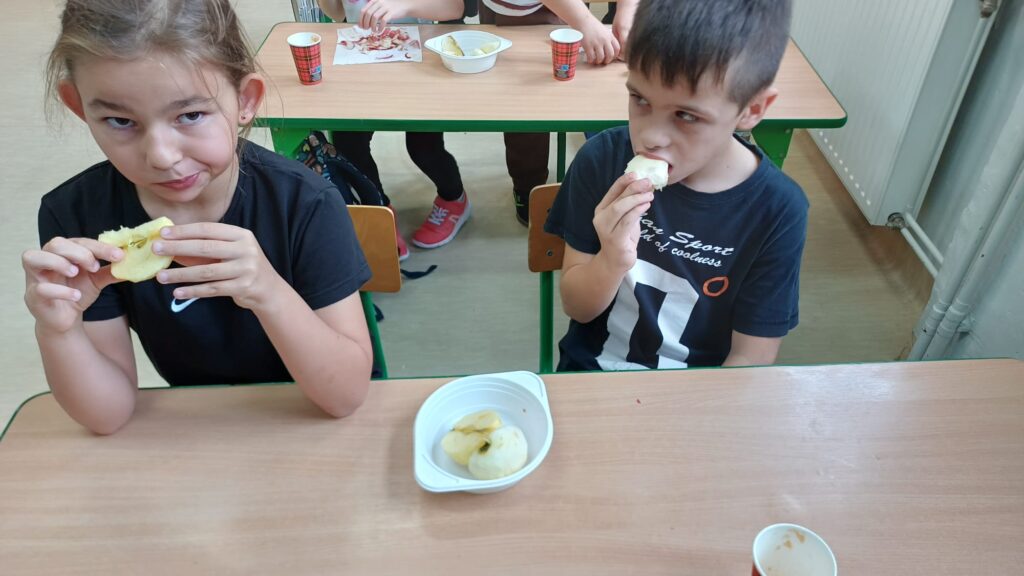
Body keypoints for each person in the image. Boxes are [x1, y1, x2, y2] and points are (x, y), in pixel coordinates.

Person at [22, 0, 373, 434]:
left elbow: (346, 396)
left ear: (245, 100)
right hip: (198, 429)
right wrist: (58, 330)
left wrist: (268, 291)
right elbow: (107, 416)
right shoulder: (76, 215)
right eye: (119, 120)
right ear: (79, 107)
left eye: (190, 115)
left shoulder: (305, 203)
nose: (161, 156)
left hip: (310, 419)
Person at [545, 0, 807, 371]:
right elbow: (577, 308)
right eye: (640, 99)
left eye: (686, 115)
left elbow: (751, 356)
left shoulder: (778, 210)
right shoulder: (601, 160)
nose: (650, 137)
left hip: (700, 390)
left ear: (752, 109)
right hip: (592, 372)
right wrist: (611, 259)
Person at [319, 0, 473, 251]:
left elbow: (454, 8)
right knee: (349, 143)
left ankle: (454, 199)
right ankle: (379, 209)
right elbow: (337, 13)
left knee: (424, 148)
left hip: (420, 61)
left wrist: (404, 6)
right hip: (363, 57)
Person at [478, 0, 638, 224]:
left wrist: (627, 9)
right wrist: (584, 22)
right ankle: (528, 187)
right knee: (525, 104)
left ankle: (607, 183)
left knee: (593, 84)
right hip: (516, 10)